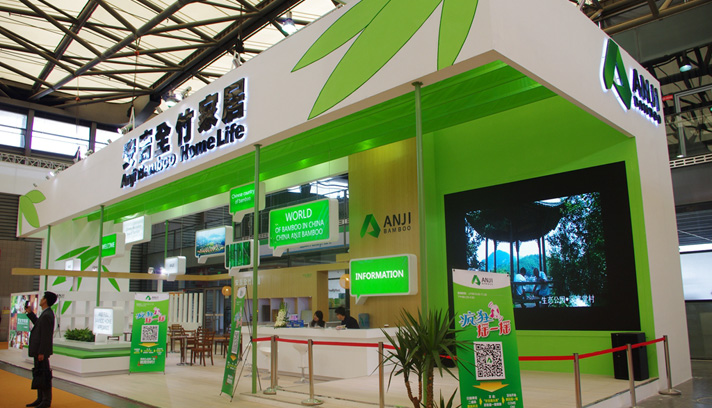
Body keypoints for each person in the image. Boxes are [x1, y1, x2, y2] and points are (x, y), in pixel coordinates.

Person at [25, 291, 57, 408]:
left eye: (43, 298)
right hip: (39, 350)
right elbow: (39, 325)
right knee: (39, 374)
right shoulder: (45, 314)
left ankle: (46, 400)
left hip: (41, 351)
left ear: (45, 300)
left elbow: (46, 335)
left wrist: (42, 352)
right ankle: (40, 398)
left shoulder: (47, 315)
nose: (41, 299)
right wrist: (30, 313)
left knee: (44, 375)